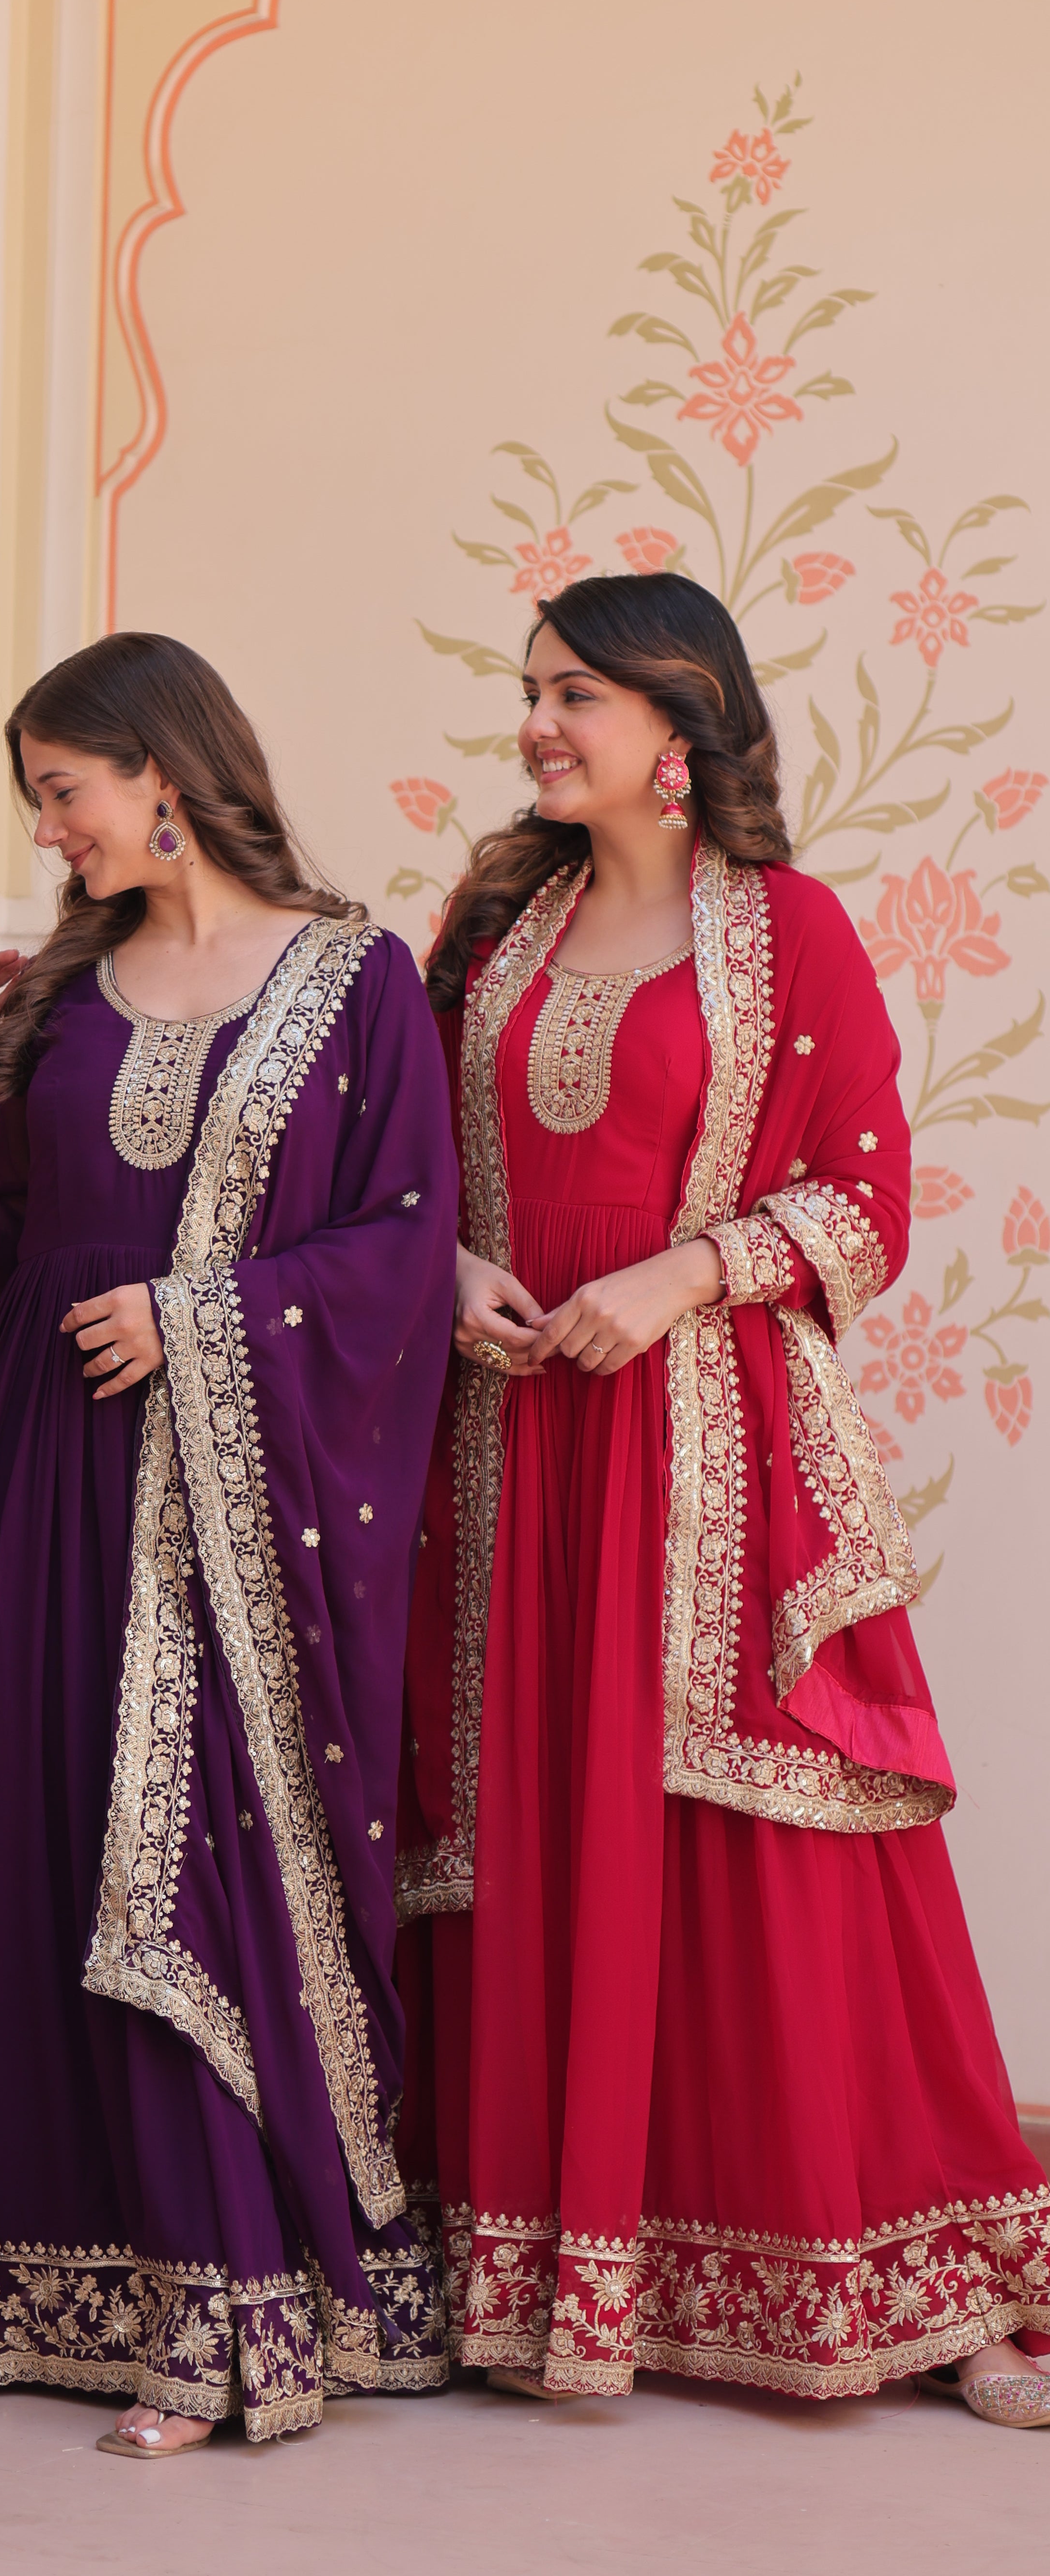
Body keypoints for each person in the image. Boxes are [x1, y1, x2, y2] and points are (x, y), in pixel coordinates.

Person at [0, 632, 458, 2449]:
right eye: (41, 794)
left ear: (166, 770)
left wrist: (199, 1321)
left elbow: (403, 1249)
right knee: (49, 1852)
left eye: (66, 787)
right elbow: (21, 1249)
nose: (50, 828)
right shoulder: (66, 990)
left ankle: (225, 2314)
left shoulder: (354, 978)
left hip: (226, 1516)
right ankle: (51, 2278)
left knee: (182, 1880)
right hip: (41, 1485)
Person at [393, 572, 1050, 2422]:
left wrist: (676, 1280)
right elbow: (420, 1170)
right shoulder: (494, 922)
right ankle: (547, 2275)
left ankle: (915, 2290)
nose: (539, 723)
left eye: (576, 692)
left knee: (764, 1848)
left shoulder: (789, 932)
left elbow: (868, 1200)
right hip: (510, 1437)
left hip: (708, 1445)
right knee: (526, 1826)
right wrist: (452, 1275)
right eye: (530, 688)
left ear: (681, 720)